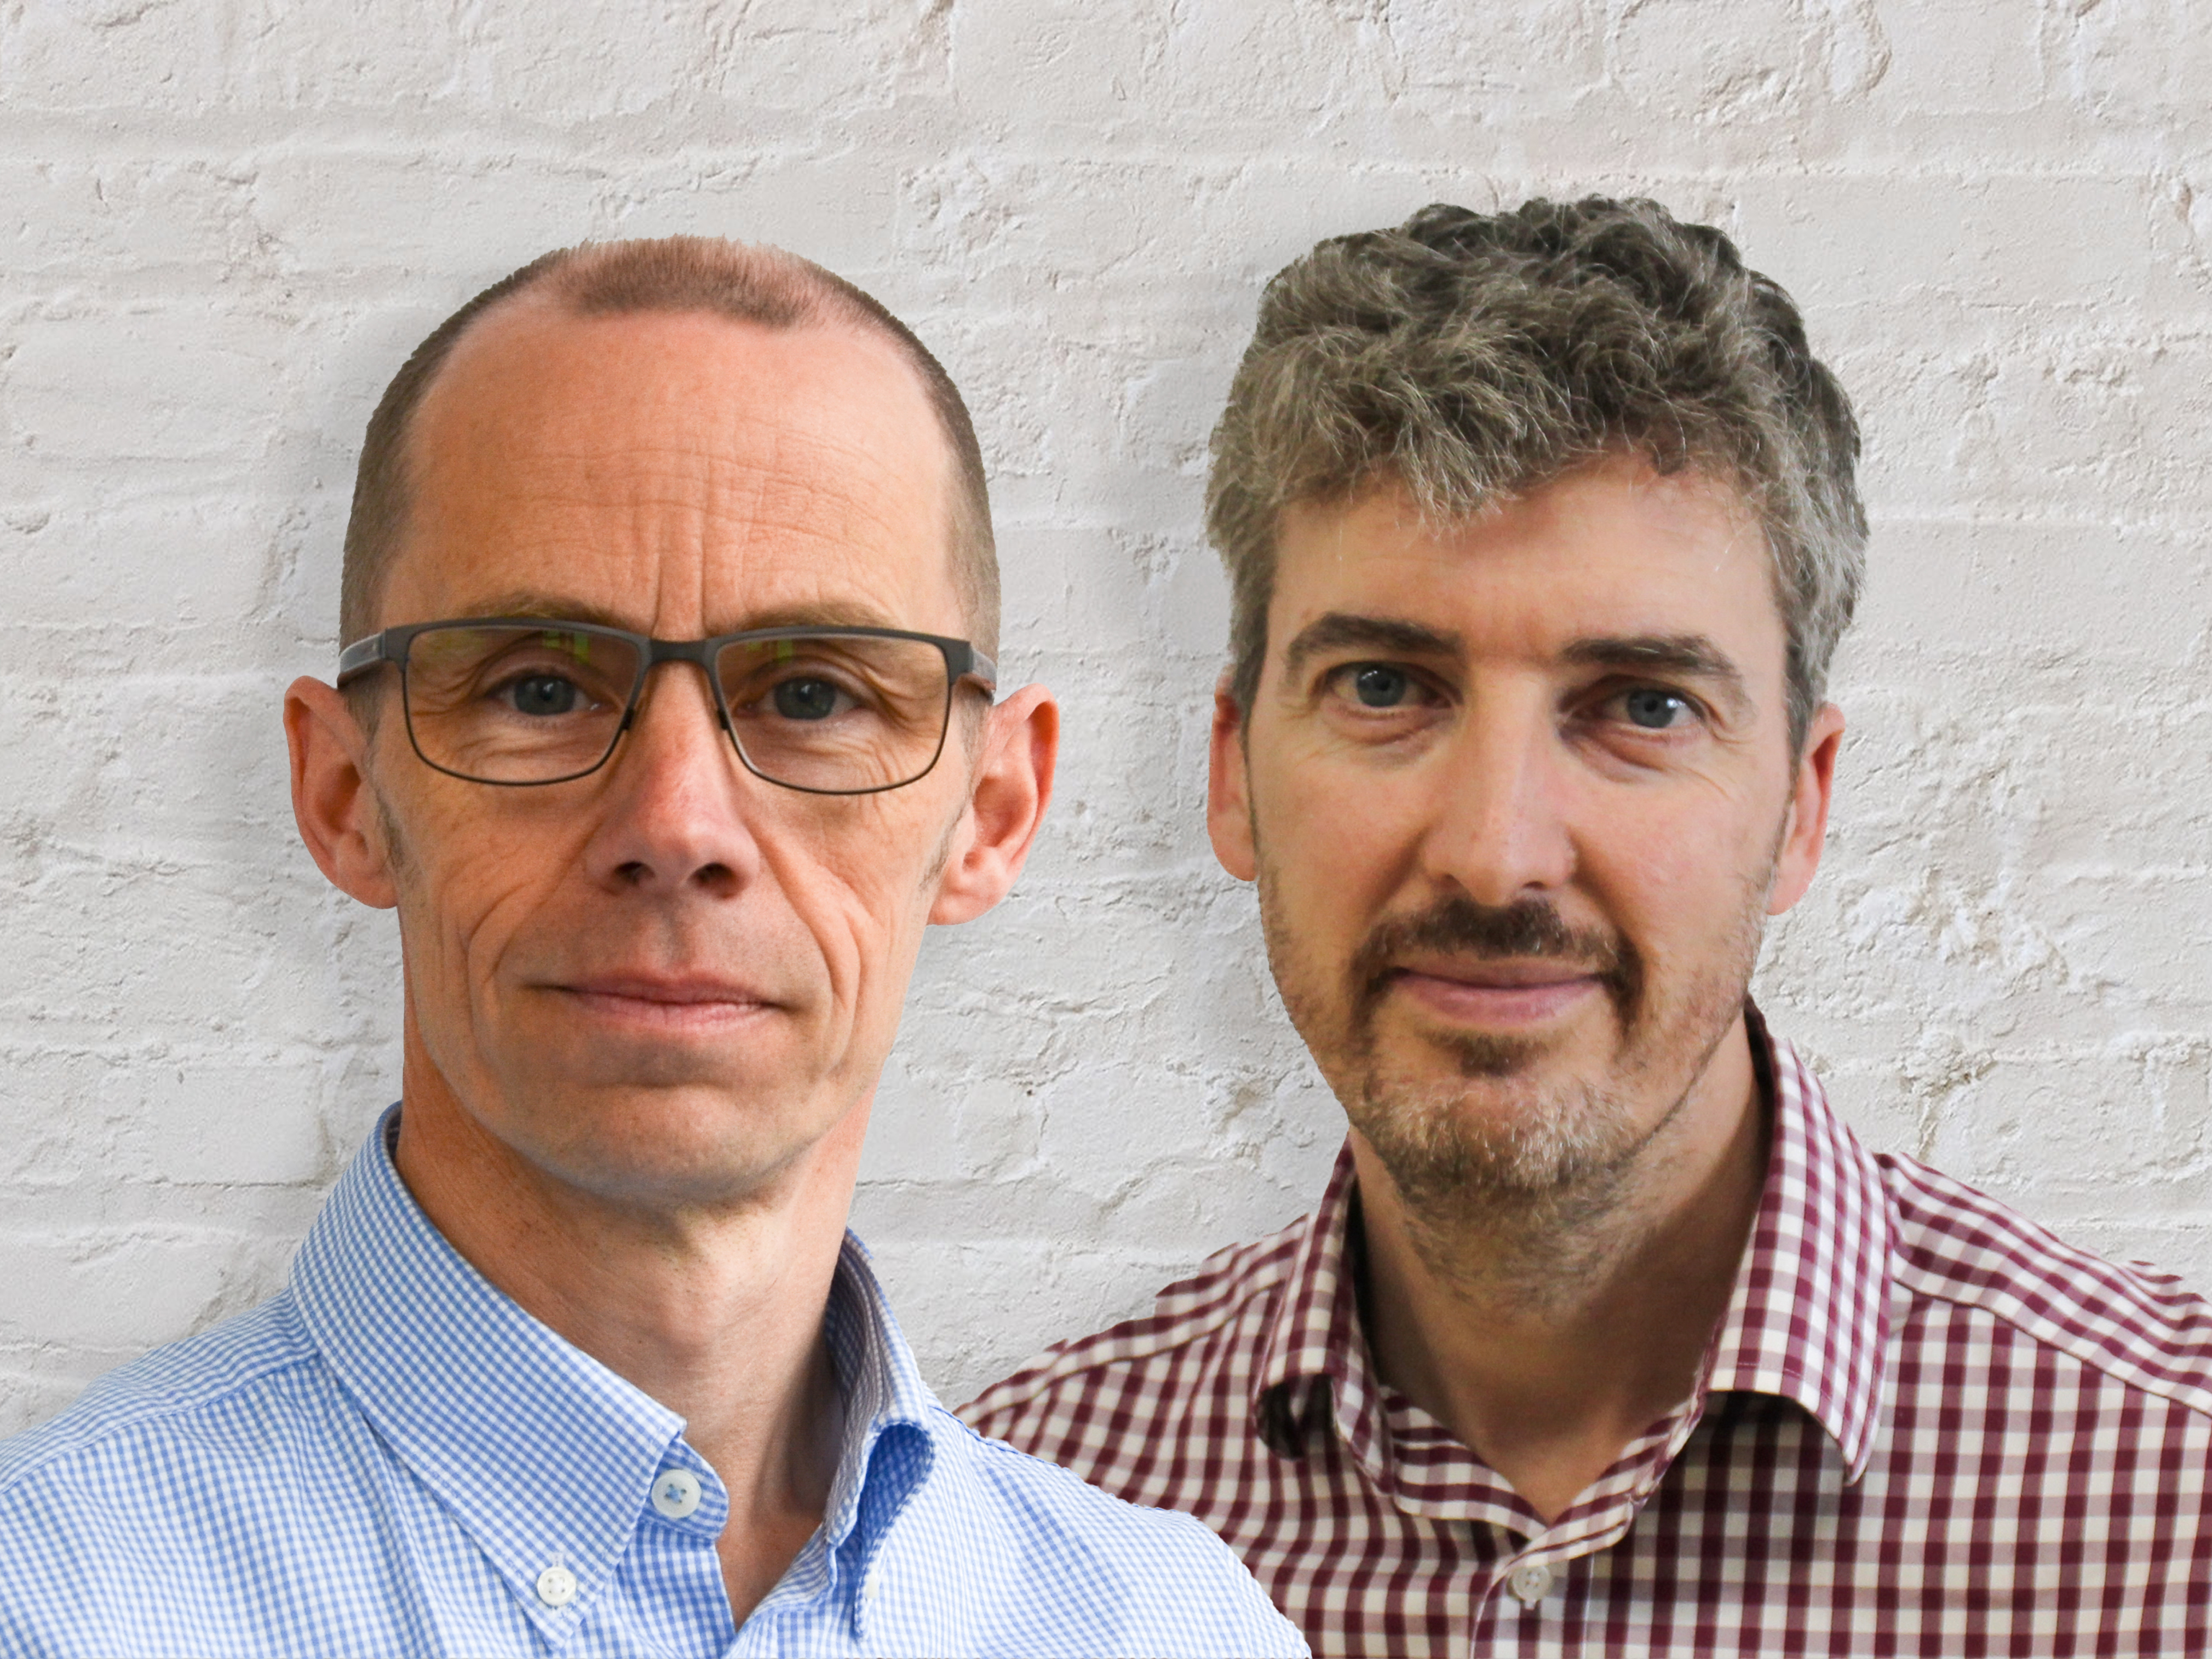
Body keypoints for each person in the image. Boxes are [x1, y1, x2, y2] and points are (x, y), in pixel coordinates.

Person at [0, 236, 1305, 1658]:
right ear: (343, 796)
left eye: (813, 692)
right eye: (542, 686)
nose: (679, 824)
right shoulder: (59, 1605)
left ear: (994, 811)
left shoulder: (1170, 1629)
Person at [963, 198, 2212, 1656]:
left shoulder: (2179, 1504)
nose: (1497, 857)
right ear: (1230, 775)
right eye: (1383, 688)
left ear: (1803, 807)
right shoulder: (1011, 1542)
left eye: (1644, 708)